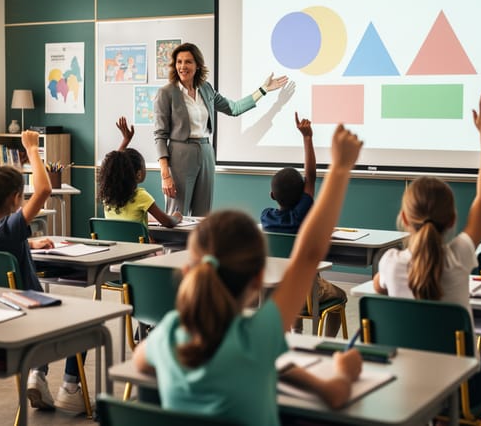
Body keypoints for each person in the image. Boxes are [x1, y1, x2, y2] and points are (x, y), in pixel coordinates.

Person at [134, 124, 365, 425]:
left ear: (190, 270)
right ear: (258, 278)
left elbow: (142, 364)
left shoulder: (167, 334)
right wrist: (340, 168)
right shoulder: (256, 338)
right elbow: (308, 255)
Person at [373, 90, 481, 409]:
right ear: (453, 220)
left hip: (403, 384)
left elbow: (378, 288)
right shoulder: (458, 256)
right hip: (456, 390)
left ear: (404, 218)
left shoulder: (390, 263)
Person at [0, 130, 87, 414]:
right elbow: (45, 190)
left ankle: (39, 376)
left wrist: (29, 242)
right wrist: (33, 149)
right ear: (15, 197)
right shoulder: (11, 227)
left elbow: (3, 244)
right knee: (85, 320)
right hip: (29, 311)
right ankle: (70, 387)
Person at [154, 42, 289, 216]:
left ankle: (199, 244)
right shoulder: (166, 93)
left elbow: (234, 108)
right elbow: (159, 135)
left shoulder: (206, 88)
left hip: (206, 152)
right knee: (177, 213)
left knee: (203, 214)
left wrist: (263, 90)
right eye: (179, 62)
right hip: (180, 154)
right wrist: (165, 175)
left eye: (188, 62)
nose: (182, 66)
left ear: (197, 65)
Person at [261, 112, 347, 337]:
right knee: (340, 295)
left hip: (274, 291)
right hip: (306, 293)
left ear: (272, 195)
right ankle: (324, 345)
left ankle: (296, 337)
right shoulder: (302, 216)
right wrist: (307, 138)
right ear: (302, 196)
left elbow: (308, 180)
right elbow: (311, 176)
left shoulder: (266, 218)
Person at [100, 117, 181, 230]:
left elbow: (114, 166)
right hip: (139, 247)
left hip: (116, 247)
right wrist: (176, 216)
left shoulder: (108, 197)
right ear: (138, 174)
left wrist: (125, 141)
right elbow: (168, 222)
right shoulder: (140, 196)